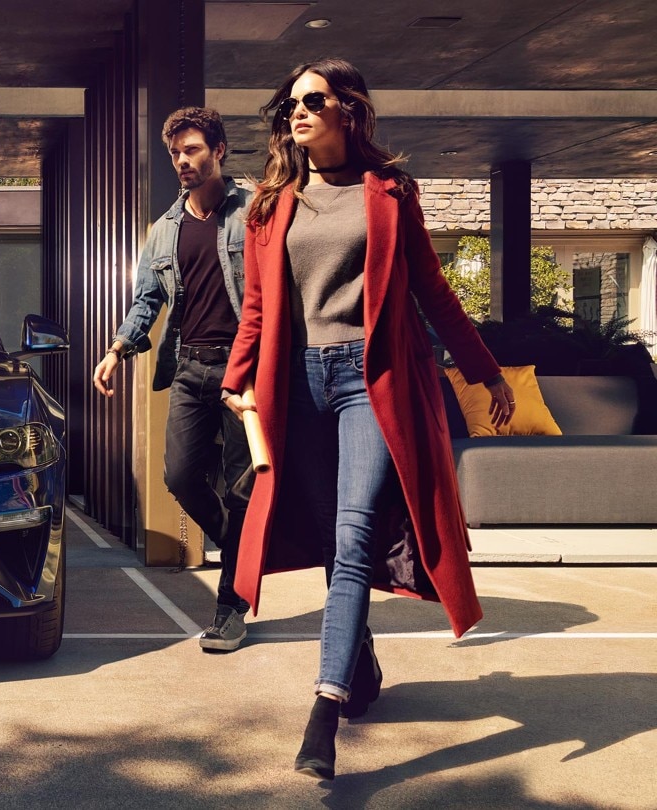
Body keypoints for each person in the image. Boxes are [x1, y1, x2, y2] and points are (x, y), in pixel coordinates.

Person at [220, 57, 517, 781]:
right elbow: (259, 307)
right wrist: (236, 381)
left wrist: (484, 370)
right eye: (289, 104)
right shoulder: (271, 203)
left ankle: (324, 708)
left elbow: (434, 292)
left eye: (313, 100)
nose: (297, 113)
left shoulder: (390, 192)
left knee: (354, 533)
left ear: (347, 109)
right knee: (330, 537)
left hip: (369, 382)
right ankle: (360, 661)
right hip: (298, 389)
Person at [93, 107, 254, 652]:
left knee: (239, 489)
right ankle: (243, 550)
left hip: (244, 367)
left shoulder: (253, 212)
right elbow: (148, 299)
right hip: (190, 366)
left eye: (192, 151)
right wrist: (118, 348)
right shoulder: (165, 230)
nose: (183, 162)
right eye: (175, 154)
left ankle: (230, 607)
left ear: (219, 150)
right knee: (180, 476)